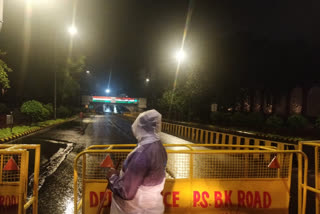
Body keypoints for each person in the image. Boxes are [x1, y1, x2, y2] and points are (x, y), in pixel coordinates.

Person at [107, 109, 168, 214]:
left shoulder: (142, 153)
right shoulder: (159, 146)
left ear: (140, 127)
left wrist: (112, 177)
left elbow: (126, 192)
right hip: (152, 207)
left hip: (136, 209)